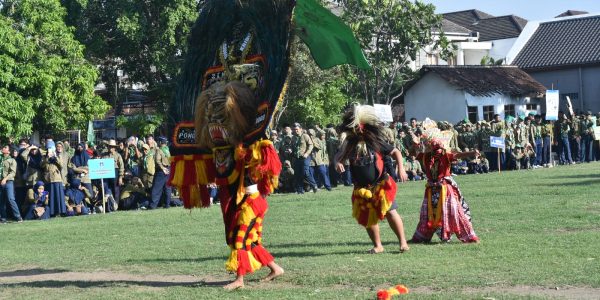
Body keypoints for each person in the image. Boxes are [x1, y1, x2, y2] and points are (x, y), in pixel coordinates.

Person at [334, 104, 410, 254]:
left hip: (380, 184)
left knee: (390, 211)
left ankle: (403, 243)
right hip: (362, 189)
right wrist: (337, 162)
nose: (357, 131)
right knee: (367, 216)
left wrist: (401, 168)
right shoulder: (349, 144)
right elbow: (338, 156)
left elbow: (396, 152)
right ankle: (378, 246)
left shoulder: (374, 142)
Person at [409, 135, 479, 244]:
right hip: (433, 190)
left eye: (440, 148)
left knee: (453, 212)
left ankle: (467, 236)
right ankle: (422, 236)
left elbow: (458, 155)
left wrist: (471, 153)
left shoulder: (444, 156)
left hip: (445, 189)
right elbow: (412, 153)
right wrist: (415, 144)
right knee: (429, 214)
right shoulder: (426, 156)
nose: (439, 150)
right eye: (437, 148)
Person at [42, 142, 67, 217]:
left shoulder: (57, 156)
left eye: (51, 150)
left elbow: (62, 165)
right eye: (48, 150)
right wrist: (47, 158)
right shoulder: (44, 157)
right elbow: (42, 165)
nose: (49, 151)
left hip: (56, 179)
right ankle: (52, 212)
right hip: (48, 179)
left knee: (58, 196)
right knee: (50, 196)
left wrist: (55, 158)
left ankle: (61, 211)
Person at [292, 123, 317, 194]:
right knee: (297, 174)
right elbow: (293, 147)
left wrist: (306, 153)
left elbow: (311, 145)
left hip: (305, 157)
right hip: (297, 158)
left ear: (301, 129)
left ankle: (314, 185)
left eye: (297, 129)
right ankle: (300, 191)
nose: (295, 131)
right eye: (294, 129)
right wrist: (290, 150)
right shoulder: (293, 138)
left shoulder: (305, 136)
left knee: (305, 172)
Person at [0, 145, 23, 223]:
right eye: (3, 147)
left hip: (8, 182)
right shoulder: (0, 159)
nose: (3, 148)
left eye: (5, 147)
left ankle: (18, 217)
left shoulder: (12, 160)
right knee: (1, 201)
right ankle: (3, 219)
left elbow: (13, 173)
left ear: (9, 151)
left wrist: (5, 179)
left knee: (10, 199)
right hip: (0, 182)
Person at [150, 136, 172, 209]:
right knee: (167, 188)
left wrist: (163, 168)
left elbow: (157, 160)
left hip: (161, 171)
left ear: (160, 142)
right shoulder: (167, 150)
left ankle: (153, 206)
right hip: (169, 169)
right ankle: (167, 204)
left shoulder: (159, 150)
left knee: (156, 189)